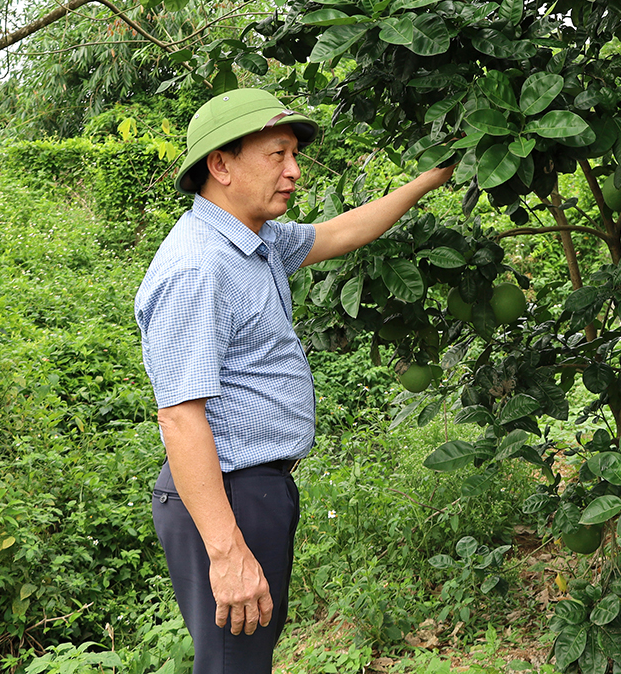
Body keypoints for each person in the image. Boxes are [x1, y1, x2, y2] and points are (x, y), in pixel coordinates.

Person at [135, 88, 454, 674]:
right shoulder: (199, 266)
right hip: (226, 495)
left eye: (293, 155)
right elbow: (180, 416)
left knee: (245, 661)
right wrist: (227, 548)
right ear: (221, 165)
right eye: (277, 154)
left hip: (254, 490)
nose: (294, 170)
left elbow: (340, 233)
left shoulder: (252, 242)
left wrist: (430, 179)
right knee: (234, 666)